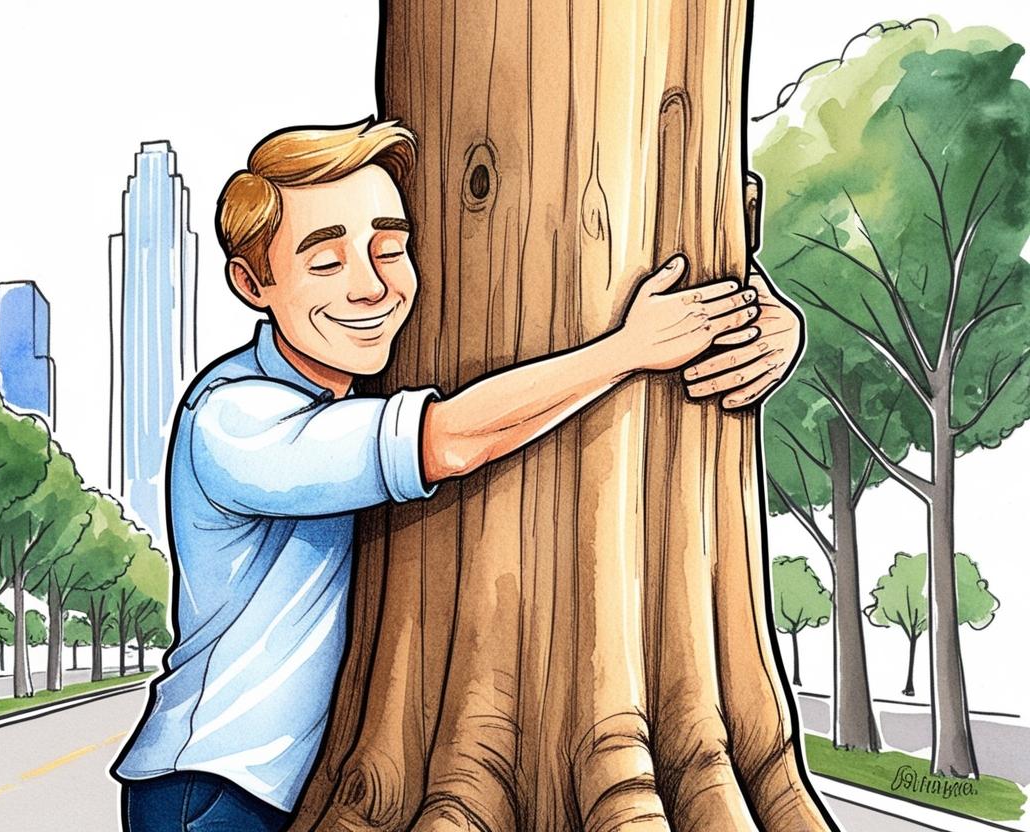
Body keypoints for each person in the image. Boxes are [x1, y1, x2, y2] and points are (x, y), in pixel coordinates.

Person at [111, 118, 799, 831]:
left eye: (391, 248)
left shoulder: (358, 387)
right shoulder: (235, 418)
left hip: (303, 787)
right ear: (254, 283)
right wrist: (626, 350)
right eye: (326, 263)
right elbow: (454, 437)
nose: (372, 286)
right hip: (213, 792)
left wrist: (763, 321)